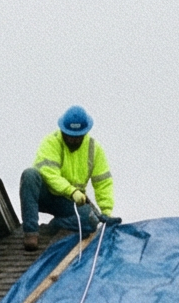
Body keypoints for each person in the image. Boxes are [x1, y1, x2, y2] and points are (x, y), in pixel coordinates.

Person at [19, 105, 115, 252]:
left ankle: (57, 224)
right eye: (69, 135)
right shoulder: (51, 142)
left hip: (68, 203)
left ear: (85, 133)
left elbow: (103, 182)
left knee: (91, 222)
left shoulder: (94, 149)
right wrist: (72, 191)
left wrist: (106, 212)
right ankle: (31, 233)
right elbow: (49, 173)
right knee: (30, 175)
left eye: (77, 137)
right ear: (63, 131)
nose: (73, 140)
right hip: (46, 194)